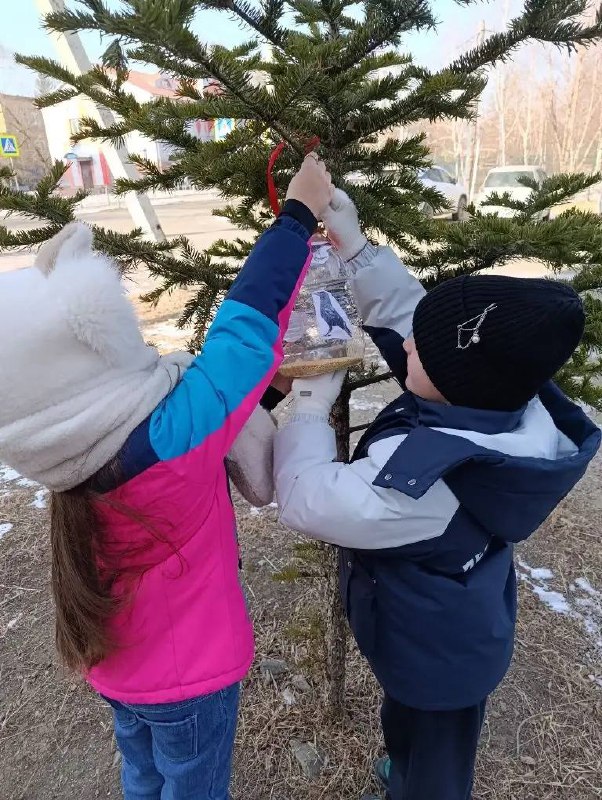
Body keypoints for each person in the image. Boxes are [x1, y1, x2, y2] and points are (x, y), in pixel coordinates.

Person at [0, 155, 332, 800]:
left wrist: (261, 398)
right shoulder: (168, 437)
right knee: (193, 786)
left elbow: (211, 415)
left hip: (119, 670)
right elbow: (241, 336)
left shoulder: (65, 451)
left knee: (145, 775)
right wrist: (296, 218)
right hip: (191, 678)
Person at [274, 189, 601, 800]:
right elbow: (414, 321)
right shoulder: (495, 400)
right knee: (409, 722)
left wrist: (312, 410)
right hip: (431, 632)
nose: (405, 348)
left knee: (437, 763)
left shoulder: (427, 483)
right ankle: (405, 769)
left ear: (451, 379)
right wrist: (357, 249)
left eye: (418, 350)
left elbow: (307, 497)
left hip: (441, 662)